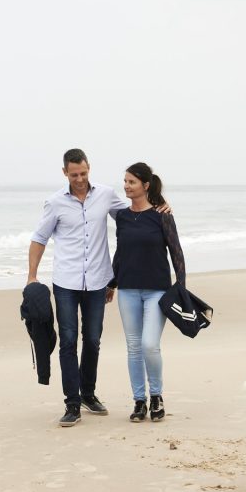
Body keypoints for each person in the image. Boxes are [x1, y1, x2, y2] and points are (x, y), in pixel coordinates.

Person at [28, 150, 170, 427]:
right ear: (64, 173)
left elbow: (134, 215)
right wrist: (31, 276)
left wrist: (162, 205)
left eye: (83, 173)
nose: (80, 179)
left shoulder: (105, 195)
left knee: (92, 340)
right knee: (69, 341)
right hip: (66, 282)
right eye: (74, 175)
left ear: (88, 168)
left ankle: (88, 394)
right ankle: (72, 403)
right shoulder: (55, 203)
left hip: (97, 282)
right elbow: (38, 239)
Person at [107, 162, 185, 423]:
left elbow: (176, 252)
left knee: (149, 345)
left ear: (146, 185)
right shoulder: (123, 217)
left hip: (157, 291)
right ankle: (139, 401)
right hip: (128, 289)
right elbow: (121, 253)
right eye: (125, 181)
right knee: (133, 347)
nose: (126, 186)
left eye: (131, 182)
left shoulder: (163, 215)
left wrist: (181, 287)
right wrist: (112, 283)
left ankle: (157, 396)